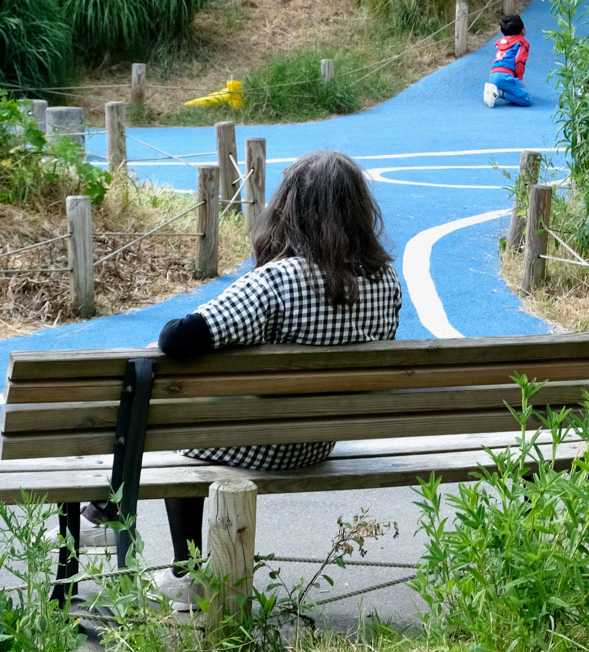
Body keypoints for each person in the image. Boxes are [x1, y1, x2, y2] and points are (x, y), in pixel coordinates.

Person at [134, 149, 401, 606]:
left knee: (183, 426)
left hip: (259, 445)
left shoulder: (276, 282)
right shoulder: (385, 281)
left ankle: (186, 571)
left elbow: (176, 337)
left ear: (290, 208)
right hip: (317, 441)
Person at [483, 14, 531, 107]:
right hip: (505, 76)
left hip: (492, 75)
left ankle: (495, 90)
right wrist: (520, 79)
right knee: (526, 99)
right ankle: (498, 93)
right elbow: (519, 61)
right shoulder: (522, 43)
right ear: (522, 30)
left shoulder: (502, 42)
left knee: (516, 90)